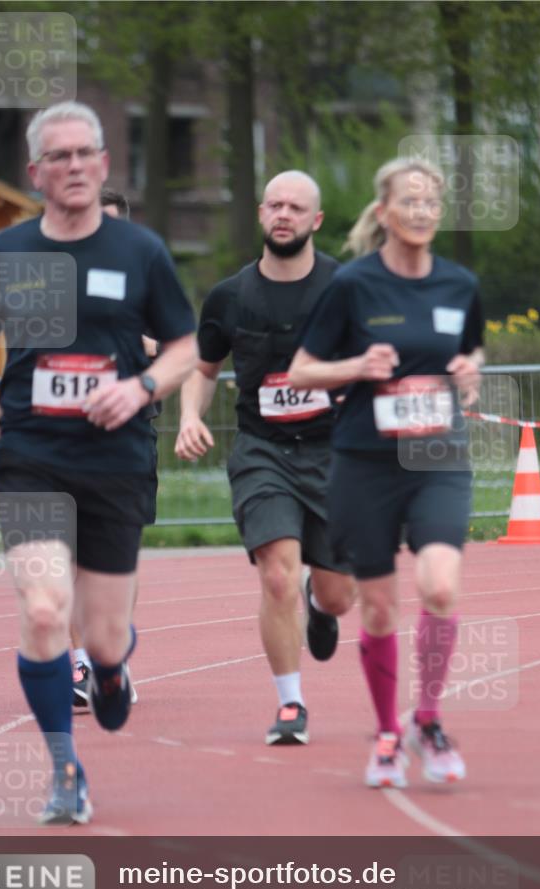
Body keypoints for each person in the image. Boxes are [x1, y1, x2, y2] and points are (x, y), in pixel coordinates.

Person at [0, 100, 198, 823]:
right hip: (30, 455)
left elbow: (187, 347)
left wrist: (142, 385)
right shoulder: (5, 253)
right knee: (41, 609)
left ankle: (113, 668)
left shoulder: (140, 253)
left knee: (102, 637)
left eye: (83, 153)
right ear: (36, 173)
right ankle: (65, 769)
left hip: (114, 461)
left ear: (103, 163)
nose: (73, 166)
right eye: (57, 156)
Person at [288, 157, 484, 787]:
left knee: (441, 584)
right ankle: (388, 735)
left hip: (435, 456)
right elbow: (301, 372)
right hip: (367, 460)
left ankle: (427, 719)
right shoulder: (352, 286)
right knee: (375, 610)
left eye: (432, 202)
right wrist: (357, 366)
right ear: (384, 212)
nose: (423, 211)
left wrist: (470, 372)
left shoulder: (459, 285)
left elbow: (471, 348)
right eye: (411, 200)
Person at [175, 170, 355, 747]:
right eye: (275, 205)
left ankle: (319, 606)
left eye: (296, 208)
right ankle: (290, 703)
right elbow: (202, 371)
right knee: (277, 574)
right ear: (260, 214)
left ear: (316, 221)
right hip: (263, 452)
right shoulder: (229, 296)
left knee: (338, 594)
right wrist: (190, 417)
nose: (284, 215)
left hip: (334, 454)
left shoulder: (345, 287)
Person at [70, 187, 158, 707]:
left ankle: (111, 648)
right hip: (64, 441)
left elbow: (181, 349)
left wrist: (140, 346)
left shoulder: (148, 280)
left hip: (128, 440)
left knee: (118, 558)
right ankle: (82, 666)